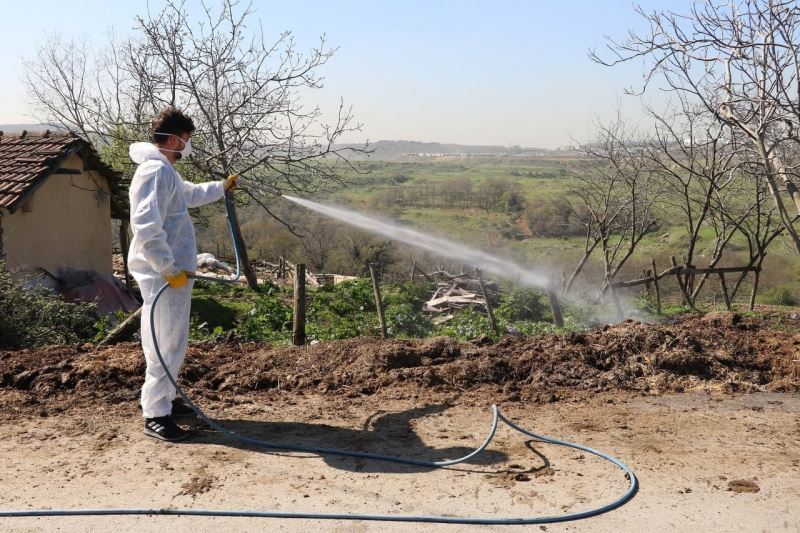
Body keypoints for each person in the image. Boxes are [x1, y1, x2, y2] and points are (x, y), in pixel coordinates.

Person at [128, 106, 237, 442]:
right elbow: (145, 226)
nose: (187, 147)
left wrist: (221, 187)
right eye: (187, 140)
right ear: (174, 139)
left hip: (172, 275)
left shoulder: (165, 171)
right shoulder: (155, 172)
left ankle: (168, 399)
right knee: (167, 341)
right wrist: (168, 268)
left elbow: (188, 194)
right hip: (165, 277)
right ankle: (156, 415)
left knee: (168, 340)